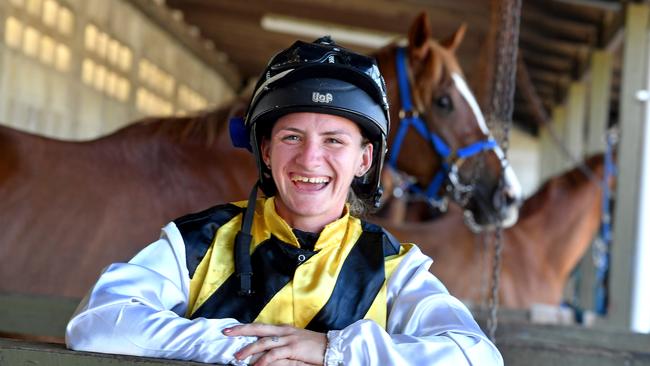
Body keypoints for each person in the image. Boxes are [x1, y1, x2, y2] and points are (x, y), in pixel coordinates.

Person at [66, 37, 503, 366]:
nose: (310, 158)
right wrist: (244, 346)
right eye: (292, 137)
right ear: (267, 151)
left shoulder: (396, 269)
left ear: (364, 160)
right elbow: (97, 322)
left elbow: (476, 356)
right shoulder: (198, 241)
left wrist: (330, 350)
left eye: (334, 140)